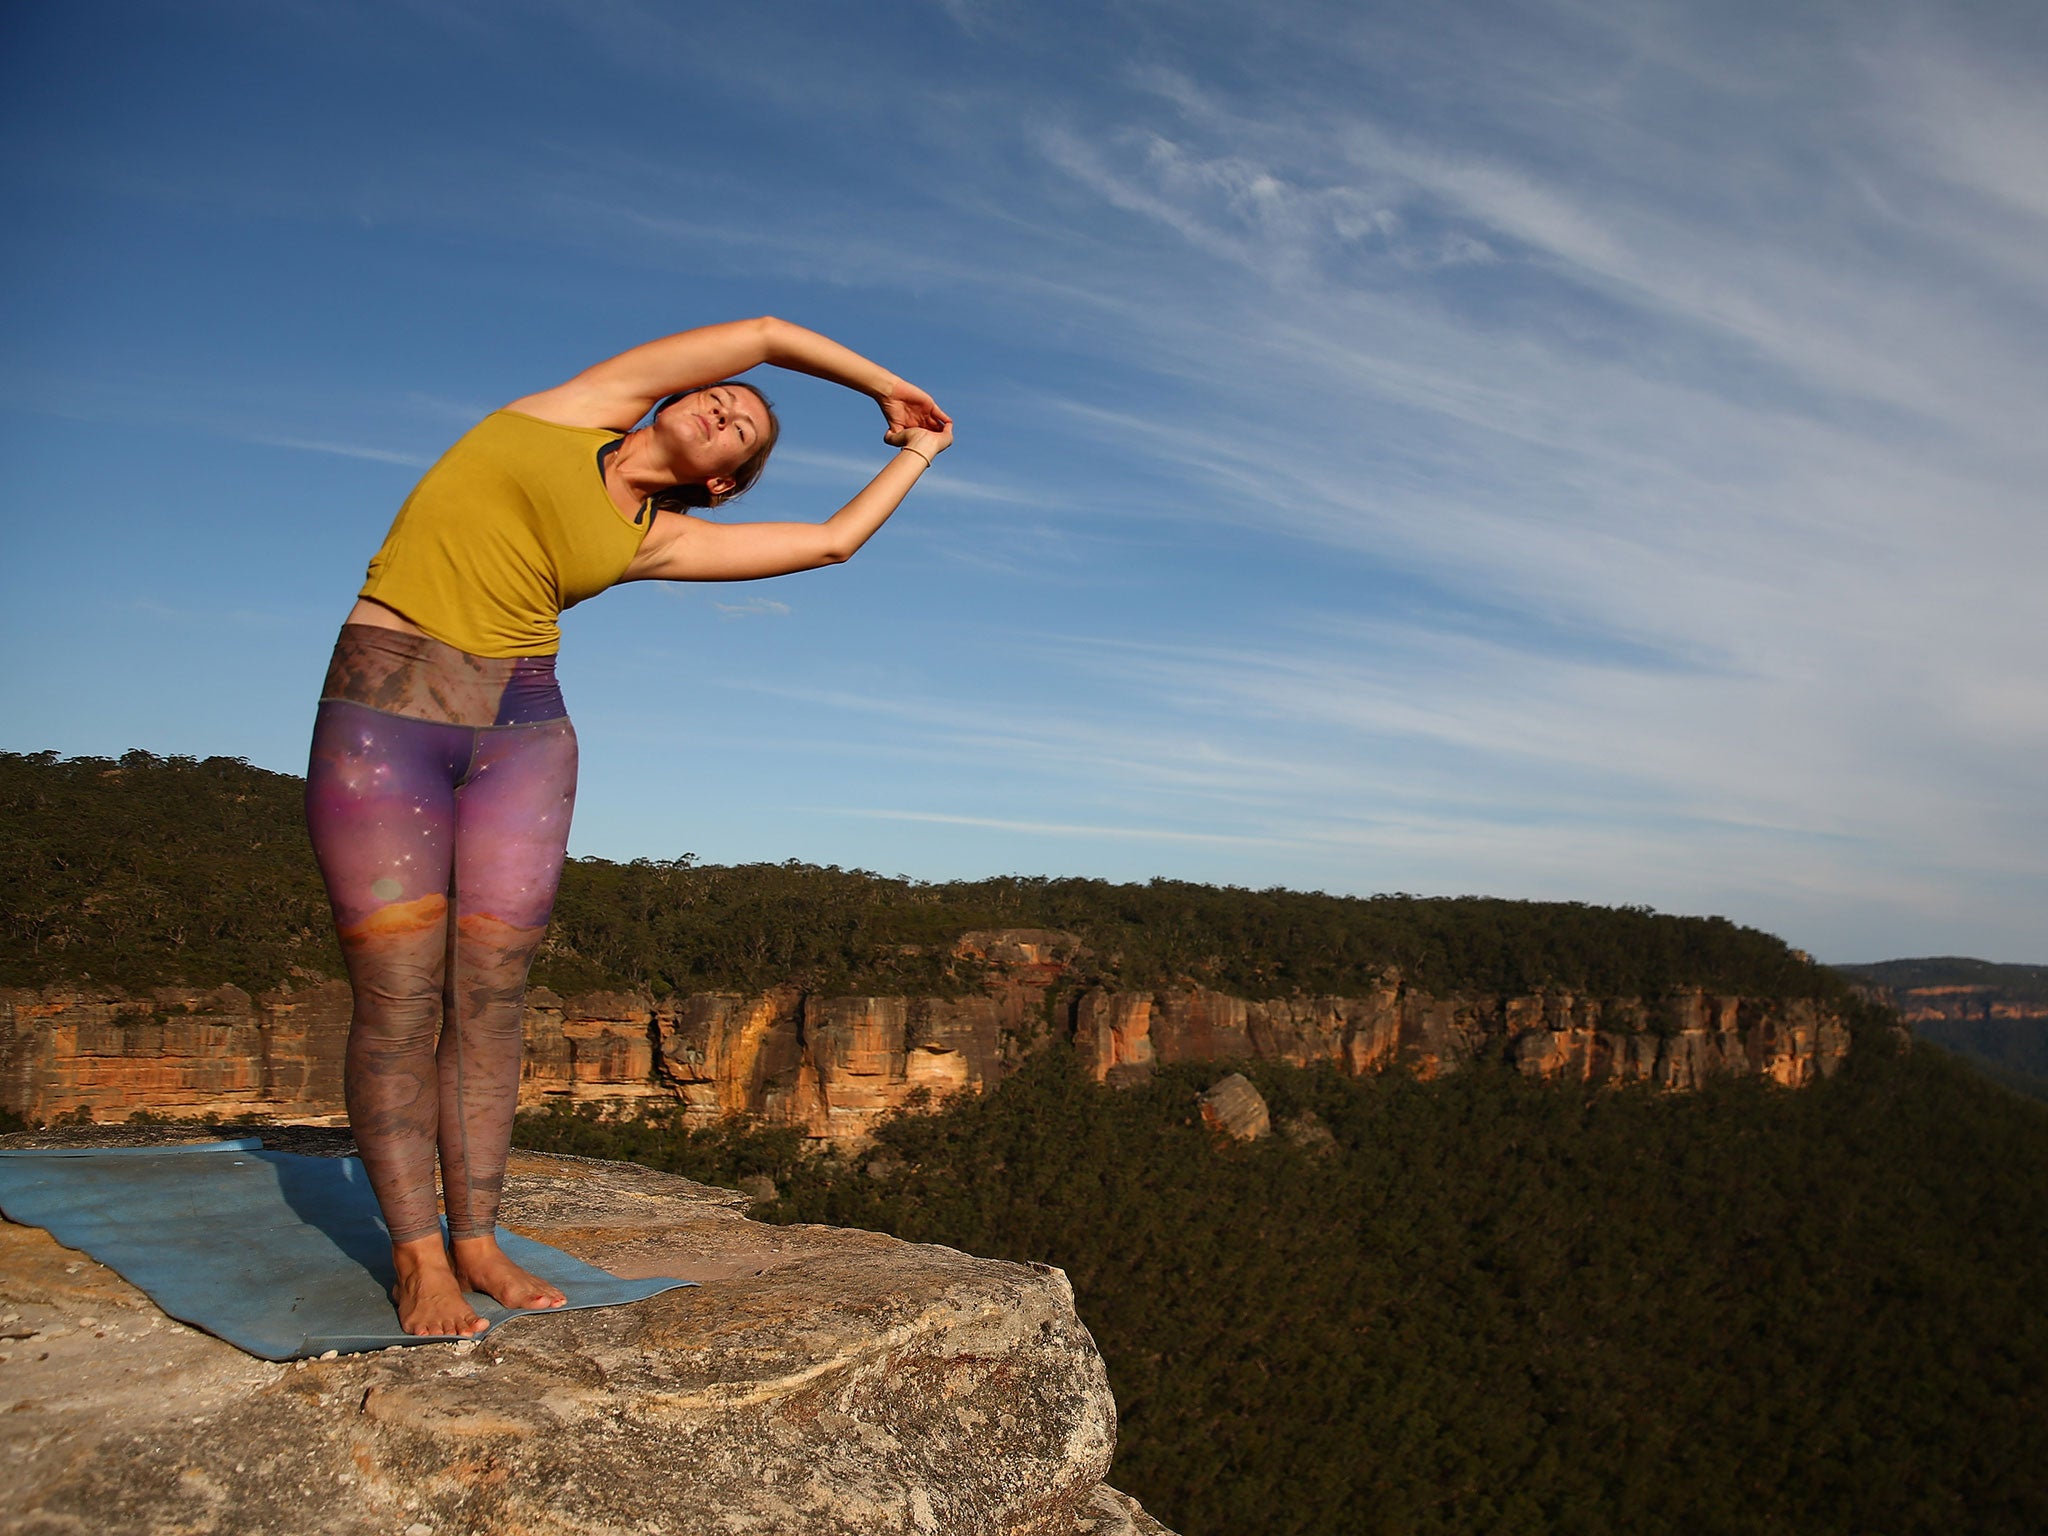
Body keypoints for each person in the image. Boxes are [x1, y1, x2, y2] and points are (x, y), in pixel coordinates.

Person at [304, 316, 952, 1337]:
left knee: (492, 997)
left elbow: (830, 541)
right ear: (668, 398)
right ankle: (417, 1253)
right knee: (395, 994)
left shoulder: (655, 539)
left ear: (723, 482)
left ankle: (476, 1236)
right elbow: (765, 335)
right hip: (387, 718)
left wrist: (918, 449)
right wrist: (886, 387)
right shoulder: (566, 414)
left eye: (740, 429)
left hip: (523, 736)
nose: (727, 405)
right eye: (722, 398)